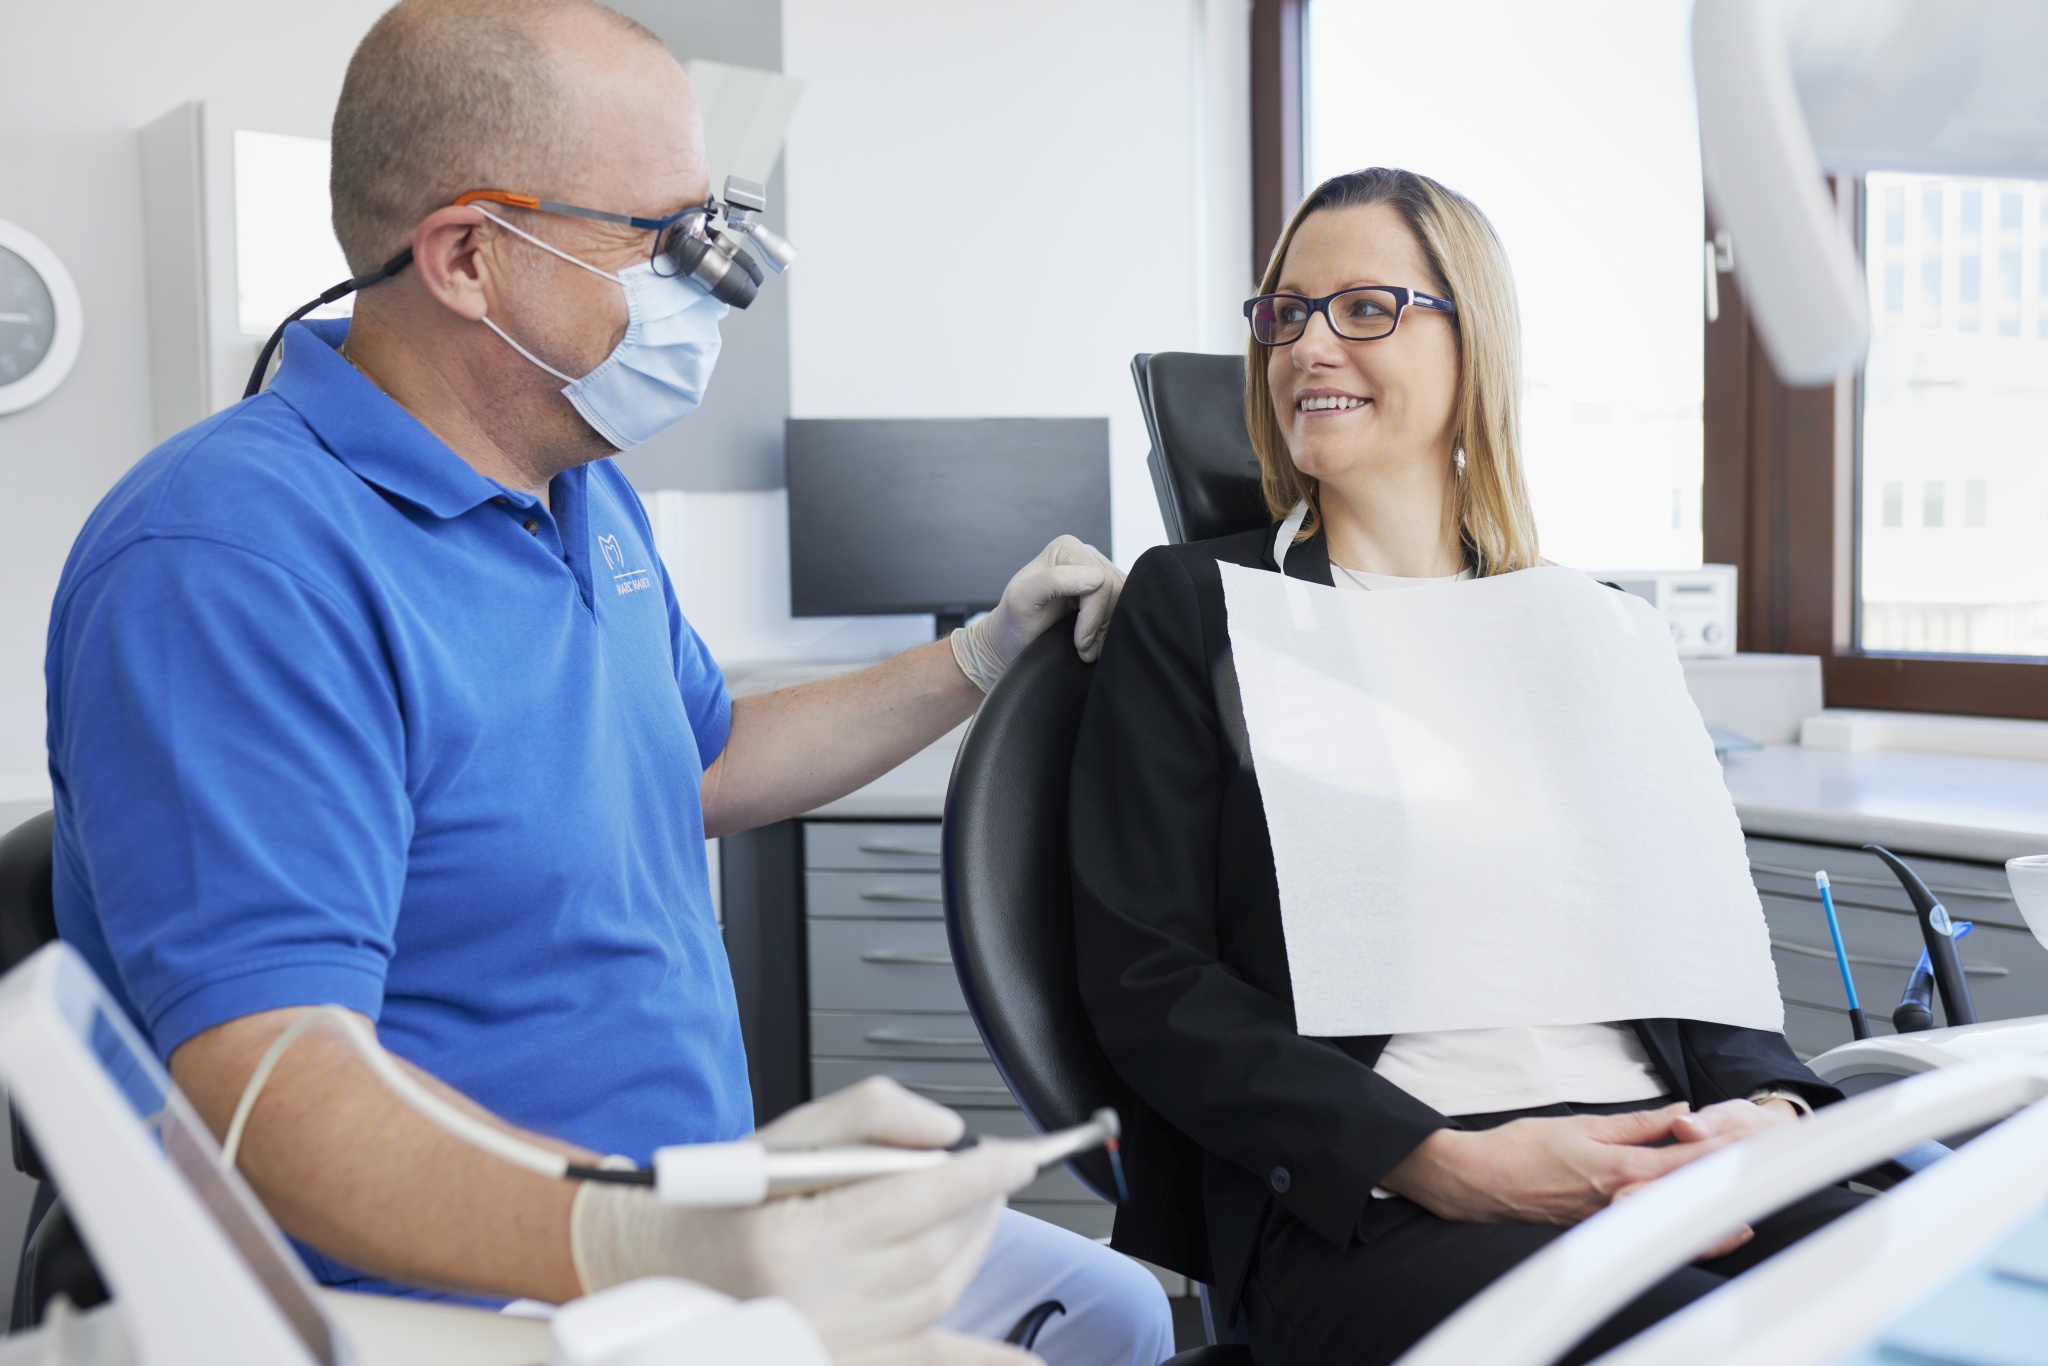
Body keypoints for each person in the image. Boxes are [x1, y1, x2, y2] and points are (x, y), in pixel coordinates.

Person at [43, 3, 1172, 1363]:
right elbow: (273, 1101)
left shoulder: (579, 491)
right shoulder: (228, 561)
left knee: (1113, 1308)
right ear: (468, 255)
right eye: (671, 240)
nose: (715, 286)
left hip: (675, 1201)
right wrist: (659, 1238)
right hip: (465, 1284)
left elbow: (695, 760)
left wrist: (977, 657)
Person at [1068, 167, 1862, 1366]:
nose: (1307, 346)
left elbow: (1699, 952)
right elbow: (1150, 978)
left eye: (1363, 309)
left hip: (1660, 1143)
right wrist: (1443, 1162)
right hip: (1378, 1190)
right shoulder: (1198, 609)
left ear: (1470, 341)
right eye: (1283, 313)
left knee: (1939, 1278)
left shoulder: (1586, 624)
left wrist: (1773, 1109)